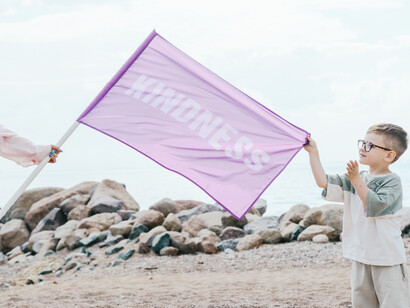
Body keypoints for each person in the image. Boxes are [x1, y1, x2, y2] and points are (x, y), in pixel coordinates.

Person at [304, 123, 409, 307]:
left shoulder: (392, 181)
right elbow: (324, 182)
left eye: (370, 145)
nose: (363, 148)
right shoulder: (355, 177)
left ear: (389, 155)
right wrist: (314, 153)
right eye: (363, 143)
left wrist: (355, 179)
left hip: (387, 258)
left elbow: (375, 205)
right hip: (360, 256)